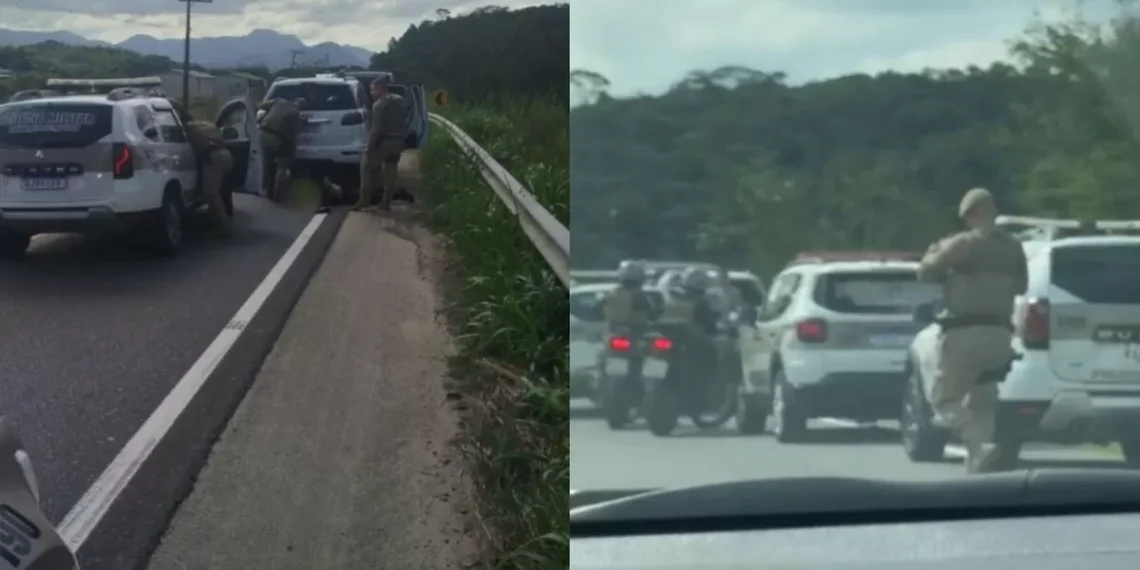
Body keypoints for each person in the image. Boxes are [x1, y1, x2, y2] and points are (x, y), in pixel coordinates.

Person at [917, 187, 1028, 474]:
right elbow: (1021, 287)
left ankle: (977, 442)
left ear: (971, 213)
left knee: (943, 400)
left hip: (964, 334)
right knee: (983, 402)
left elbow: (926, 272)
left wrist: (934, 251)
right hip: (1000, 336)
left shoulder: (963, 243)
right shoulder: (1013, 246)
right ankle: (979, 463)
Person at [354, 77, 408, 211]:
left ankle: (364, 200)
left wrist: (369, 146)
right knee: (391, 171)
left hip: (383, 142)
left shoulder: (379, 105)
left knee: (366, 168)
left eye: (373, 90)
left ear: (381, 88)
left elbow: (376, 129)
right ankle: (386, 202)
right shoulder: (401, 101)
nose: (371, 93)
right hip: (398, 141)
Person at [186, 120, 235, 233]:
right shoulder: (203, 126)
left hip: (213, 156)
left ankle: (222, 226)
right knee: (220, 189)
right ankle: (216, 217)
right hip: (226, 155)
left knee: (210, 193)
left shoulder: (188, 130)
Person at [258, 96, 304, 201]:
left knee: (266, 162)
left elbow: (260, 105)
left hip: (263, 134)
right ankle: (277, 193)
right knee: (282, 164)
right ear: (301, 107)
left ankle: (266, 188)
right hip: (276, 138)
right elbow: (294, 136)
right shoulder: (295, 113)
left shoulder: (278, 101)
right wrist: (293, 154)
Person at [602, 261, 657, 336]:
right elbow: (650, 311)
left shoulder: (612, 294)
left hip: (616, 328)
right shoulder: (639, 296)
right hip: (635, 329)